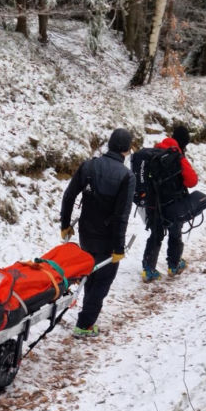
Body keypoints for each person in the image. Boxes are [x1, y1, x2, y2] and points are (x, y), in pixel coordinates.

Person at [60, 127, 135, 338]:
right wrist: (119, 247)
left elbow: (69, 195)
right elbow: (122, 215)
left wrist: (65, 224)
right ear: (127, 150)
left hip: (86, 230)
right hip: (108, 236)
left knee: (91, 269)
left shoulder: (89, 166)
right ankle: (85, 325)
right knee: (103, 278)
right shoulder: (127, 177)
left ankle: (85, 315)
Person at [141, 123, 198, 281]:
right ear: (184, 143)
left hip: (153, 203)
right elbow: (192, 181)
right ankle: (174, 265)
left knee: (156, 234)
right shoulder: (177, 156)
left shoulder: (155, 151)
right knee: (175, 233)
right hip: (173, 203)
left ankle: (148, 269)